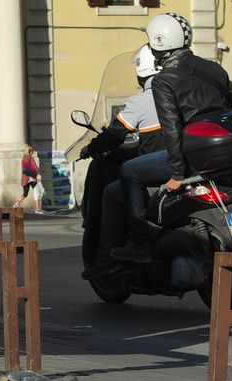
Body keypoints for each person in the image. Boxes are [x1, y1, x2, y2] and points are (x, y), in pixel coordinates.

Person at [110, 13, 232, 263]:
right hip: (218, 155)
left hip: (190, 156)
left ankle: (140, 243)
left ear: (159, 42)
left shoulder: (163, 80)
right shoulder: (215, 68)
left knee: (128, 170)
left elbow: (171, 129)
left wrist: (177, 175)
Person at [80, 44, 166, 278]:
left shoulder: (145, 99)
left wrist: (90, 148)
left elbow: (114, 134)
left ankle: (108, 258)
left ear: (141, 72)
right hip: (192, 164)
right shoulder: (181, 91)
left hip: (162, 170)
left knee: (113, 192)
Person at [14, 147, 43, 214]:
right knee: (37, 192)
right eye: (32, 151)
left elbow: (27, 169)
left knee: (25, 194)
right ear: (29, 152)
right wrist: (38, 174)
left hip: (26, 178)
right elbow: (32, 168)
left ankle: (16, 204)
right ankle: (37, 209)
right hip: (31, 178)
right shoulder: (29, 158)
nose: (32, 153)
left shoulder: (25, 158)